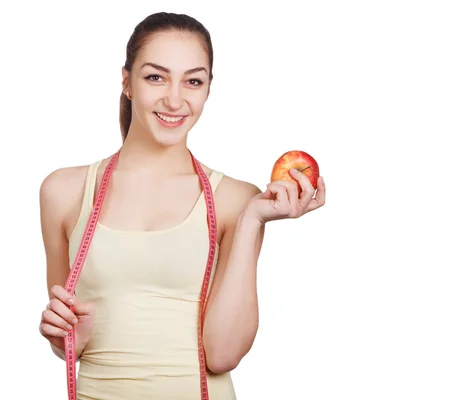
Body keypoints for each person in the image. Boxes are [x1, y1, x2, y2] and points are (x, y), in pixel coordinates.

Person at [37, 11, 326, 400]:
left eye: (193, 81)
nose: (175, 99)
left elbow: (222, 354)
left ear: (208, 89)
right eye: (155, 77)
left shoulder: (234, 200)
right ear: (126, 82)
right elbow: (66, 340)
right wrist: (72, 339)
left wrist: (253, 219)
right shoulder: (64, 192)